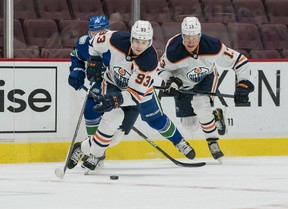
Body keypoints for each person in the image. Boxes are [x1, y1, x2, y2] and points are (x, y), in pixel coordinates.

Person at [68, 20, 196, 171]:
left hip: (139, 92)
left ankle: (179, 142)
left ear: (149, 41)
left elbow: (134, 96)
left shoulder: (148, 61)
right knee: (111, 121)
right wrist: (95, 59)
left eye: (144, 42)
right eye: (136, 40)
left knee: (156, 120)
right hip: (113, 84)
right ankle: (96, 154)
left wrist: (115, 99)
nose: (139, 46)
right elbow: (93, 43)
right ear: (131, 38)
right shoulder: (115, 39)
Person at [158, 17, 254, 161]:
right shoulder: (173, 51)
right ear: (182, 36)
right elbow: (161, 69)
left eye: (194, 37)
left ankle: (212, 141)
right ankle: (215, 117)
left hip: (206, 78)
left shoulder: (213, 47)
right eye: (187, 37)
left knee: (201, 105)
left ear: (200, 35)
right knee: (189, 126)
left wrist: (243, 83)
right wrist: (171, 80)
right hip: (183, 85)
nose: (191, 42)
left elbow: (240, 61)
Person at [67, 16, 139, 169]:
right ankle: (95, 154)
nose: (96, 35)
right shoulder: (84, 43)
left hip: (127, 91)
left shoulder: (118, 44)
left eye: (100, 32)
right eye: (93, 32)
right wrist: (77, 70)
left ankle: (85, 147)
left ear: (107, 31)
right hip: (104, 84)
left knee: (117, 137)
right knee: (91, 107)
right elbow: (76, 56)